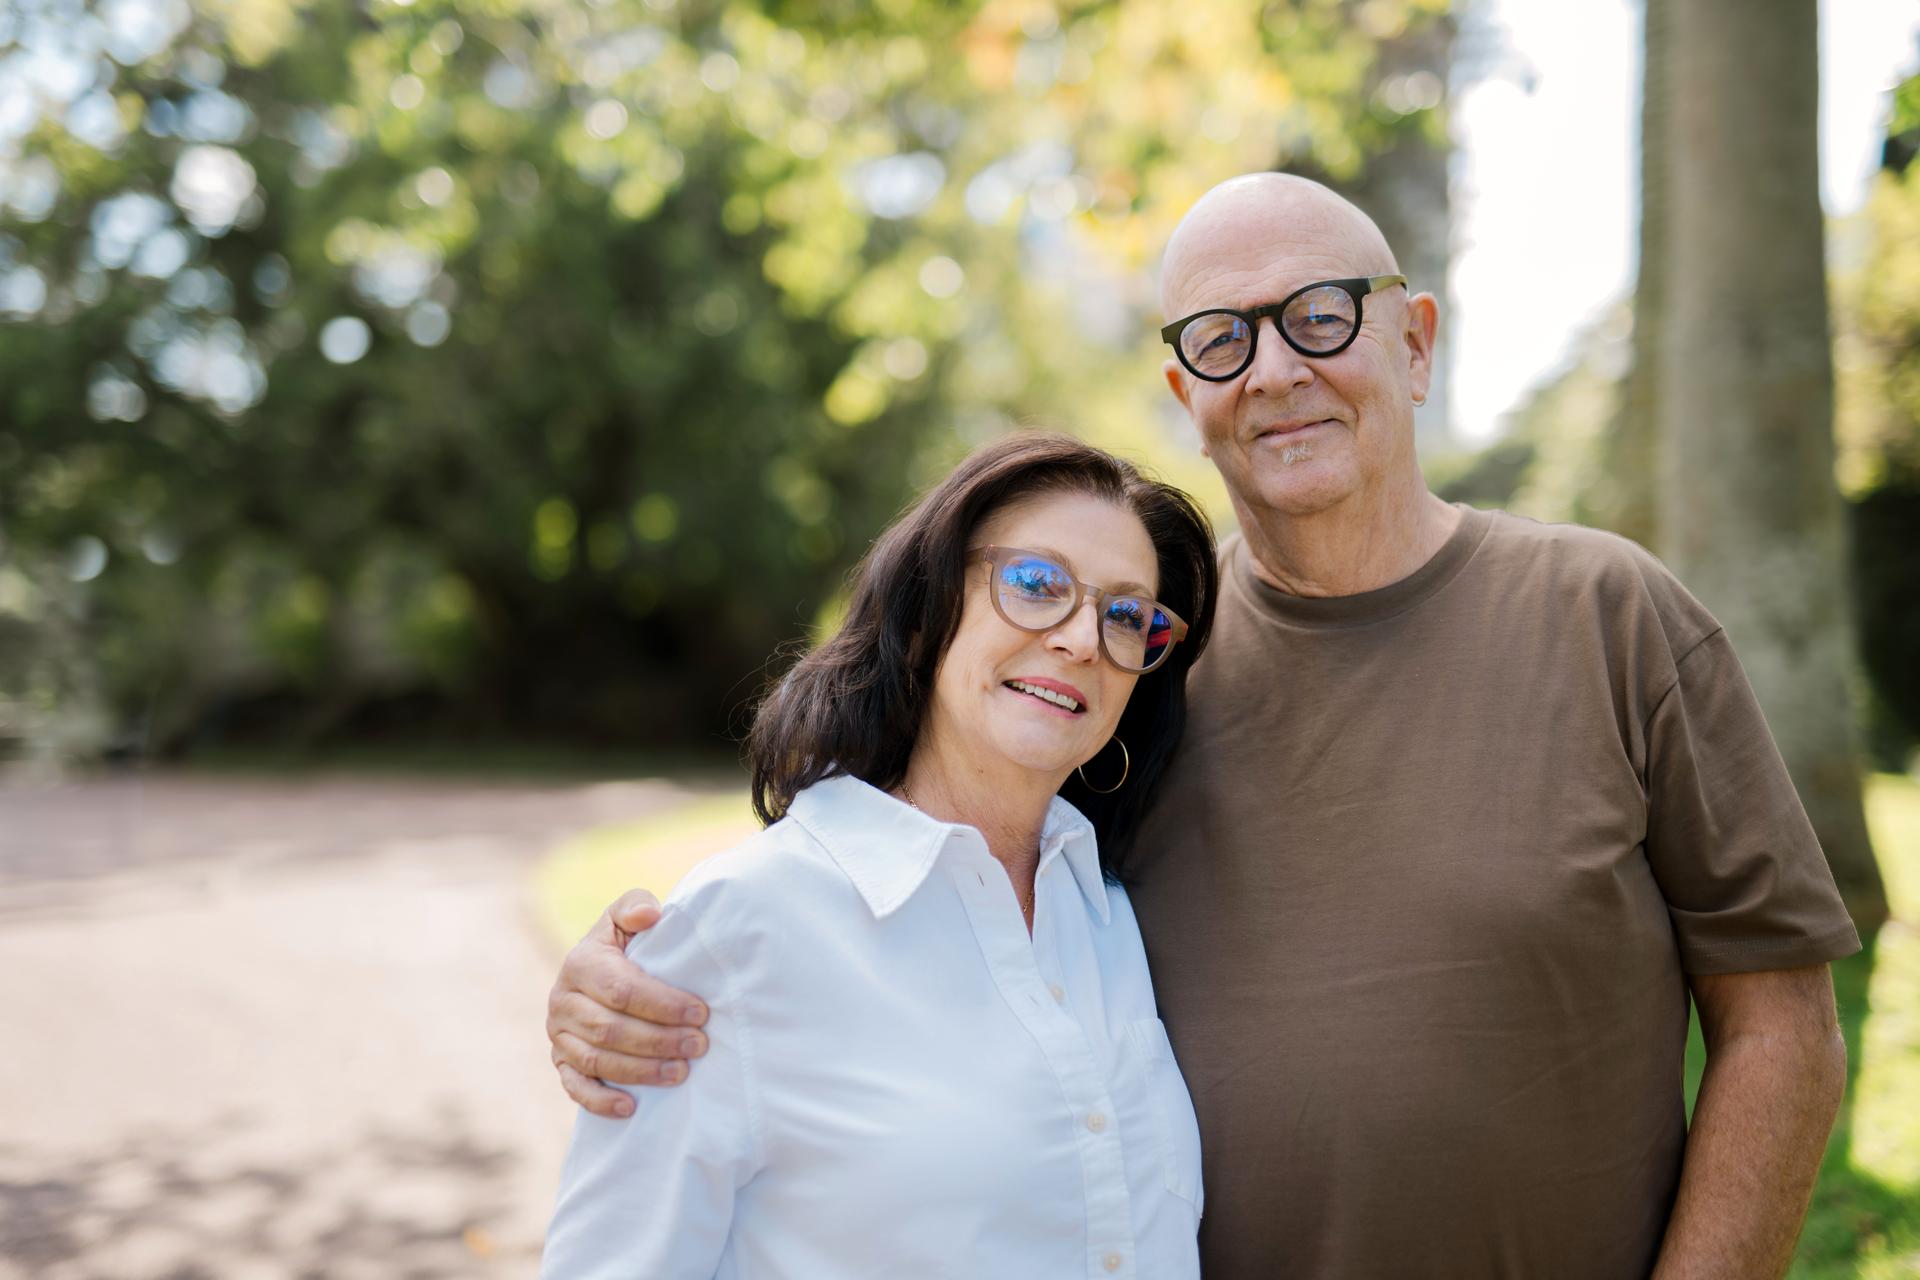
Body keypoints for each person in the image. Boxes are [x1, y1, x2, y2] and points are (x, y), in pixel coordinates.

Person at [546, 174, 1861, 1279]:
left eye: (1320, 317)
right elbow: (919, 876)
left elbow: (1783, 1026)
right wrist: (641, 976)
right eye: (1225, 338)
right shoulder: (1143, 667)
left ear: (1414, 338)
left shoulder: (1614, 616)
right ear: (1188, 392)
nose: (1276, 369)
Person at [541, 433, 1219, 1278]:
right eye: (1037, 585)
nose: (1083, 639)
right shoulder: (740, 929)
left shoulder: (1109, 915)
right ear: (929, 610)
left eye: (1126, 615)